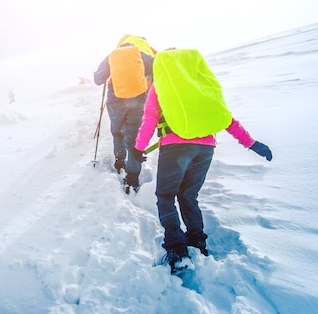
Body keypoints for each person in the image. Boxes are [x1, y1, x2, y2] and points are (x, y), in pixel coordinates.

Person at [133, 49, 273, 274]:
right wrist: (251, 143)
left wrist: (138, 149)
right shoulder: (202, 85)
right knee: (188, 195)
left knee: (166, 196)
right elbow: (227, 119)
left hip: (175, 148)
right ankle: (197, 241)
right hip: (205, 149)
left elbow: (149, 118)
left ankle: (177, 252)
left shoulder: (162, 86)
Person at [94, 35, 154, 193]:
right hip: (139, 100)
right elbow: (156, 69)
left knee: (117, 131)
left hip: (116, 101)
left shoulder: (111, 56)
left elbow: (98, 79)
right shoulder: (140, 54)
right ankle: (132, 177)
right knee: (134, 137)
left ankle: (119, 161)